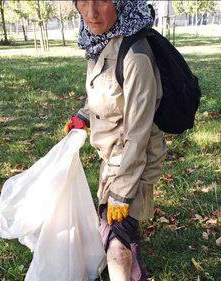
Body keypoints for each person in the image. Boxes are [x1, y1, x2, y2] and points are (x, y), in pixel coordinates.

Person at [64, 1, 167, 280]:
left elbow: (139, 131)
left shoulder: (135, 55)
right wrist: (83, 117)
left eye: (102, 1)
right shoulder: (100, 43)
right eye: (83, 2)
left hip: (134, 163)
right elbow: (106, 96)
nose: (91, 13)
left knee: (116, 247)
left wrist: (122, 192)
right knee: (114, 230)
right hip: (111, 160)